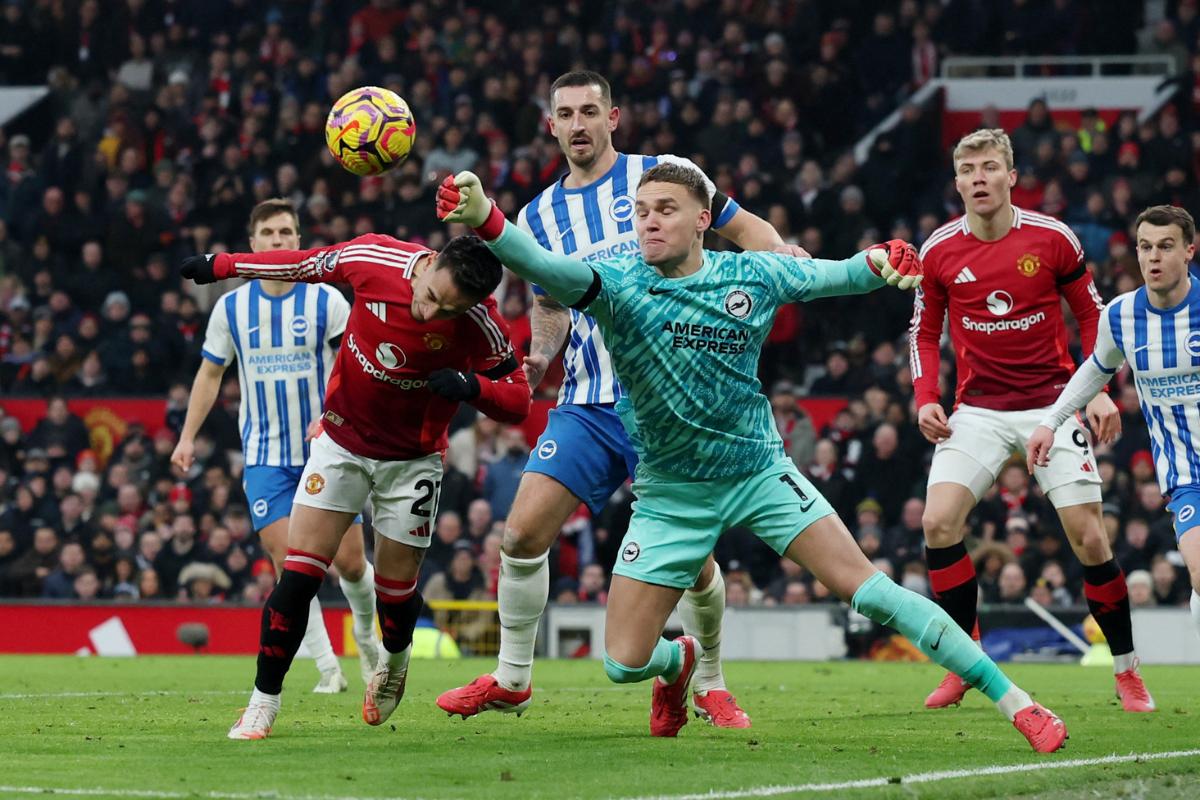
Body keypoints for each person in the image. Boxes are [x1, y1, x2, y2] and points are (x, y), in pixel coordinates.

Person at [436, 162, 1068, 751]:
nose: (648, 221)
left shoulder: (752, 274)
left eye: (665, 209)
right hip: (671, 495)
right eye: (641, 211)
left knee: (870, 591)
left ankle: (1018, 703)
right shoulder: (617, 286)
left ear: (703, 219)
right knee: (621, 663)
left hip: (759, 474)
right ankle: (679, 661)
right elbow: (541, 262)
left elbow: (838, 274)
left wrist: (880, 260)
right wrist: (486, 214)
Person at [438, 70, 805, 728]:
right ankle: (513, 678)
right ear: (550, 126)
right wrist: (542, 354)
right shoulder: (539, 215)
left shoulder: (664, 174)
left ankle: (709, 679)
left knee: (692, 565)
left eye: (589, 111)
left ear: (614, 117)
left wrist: (783, 261)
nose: (578, 124)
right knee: (520, 533)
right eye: (565, 114)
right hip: (587, 400)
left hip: (669, 400)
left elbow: (743, 228)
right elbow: (551, 302)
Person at [179, 228, 531, 739]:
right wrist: (223, 263)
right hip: (339, 444)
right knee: (298, 575)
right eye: (431, 296)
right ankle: (262, 703)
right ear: (429, 262)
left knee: (394, 598)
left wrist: (472, 387)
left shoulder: (480, 322)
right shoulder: (374, 259)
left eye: (447, 311)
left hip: (411, 464)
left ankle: (395, 659)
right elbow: (300, 264)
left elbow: (519, 398)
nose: (429, 314)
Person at [910, 128, 1154, 713]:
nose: (978, 178)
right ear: (957, 182)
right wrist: (926, 395)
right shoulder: (939, 250)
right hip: (978, 410)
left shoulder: (1052, 239)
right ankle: (966, 662)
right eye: (967, 169)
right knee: (938, 523)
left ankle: (1126, 670)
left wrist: (1098, 390)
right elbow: (923, 332)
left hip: (1055, 402)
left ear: (1011, 176)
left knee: (1089, 537)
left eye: (989, 167)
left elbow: (1092, 318)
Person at [172, 198, 379, 695]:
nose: (279, 241)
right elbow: (210, 373)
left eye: (287, 233)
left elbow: (353, 365)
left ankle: (369, 640)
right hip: (265, 456)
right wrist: (186, 436)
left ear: (299, 241)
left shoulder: (326, 300)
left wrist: (334, 415)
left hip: (327, 452)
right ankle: (329, 668)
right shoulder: (231, 308)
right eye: (269, 233)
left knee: (350, 564)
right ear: (253, 244)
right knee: (293, 569)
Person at [1029, 205, 1200, 649]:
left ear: (1189, 251)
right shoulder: (1121, 315)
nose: (1153, 257)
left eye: (1166, 247)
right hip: (1185, 474)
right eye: (1145, 247)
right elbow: (1094, 371)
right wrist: (1051, 421)